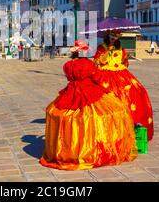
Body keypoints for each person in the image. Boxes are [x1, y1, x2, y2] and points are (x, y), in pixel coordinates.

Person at [40, 40, 138, 170]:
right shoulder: (88, 63)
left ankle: (73, 148)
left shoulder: (68, 65)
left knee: (64, 114)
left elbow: (70, 77)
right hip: (90, 89)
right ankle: (93, 147)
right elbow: (96, 76)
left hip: (72, 91)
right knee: (106, 112)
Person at [93, 30, 154, 141]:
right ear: (108, 35)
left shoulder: (120, 47)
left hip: (121, 73)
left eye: (116, 36)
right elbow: (97, 62)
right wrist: (107, 52)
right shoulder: (102, 47)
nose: (114, 38)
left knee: (137, 91)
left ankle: (134, 125)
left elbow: (124, 62)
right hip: (105, 74)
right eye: (112, 36)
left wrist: (125, 59)